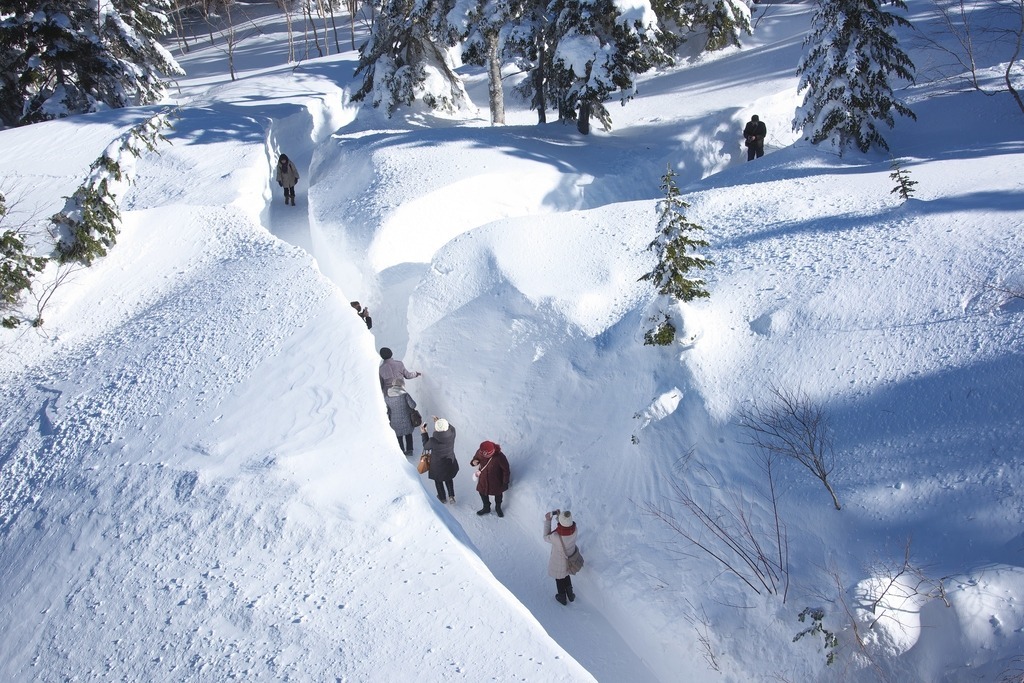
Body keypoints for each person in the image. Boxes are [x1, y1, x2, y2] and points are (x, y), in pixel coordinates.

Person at [421, 417, 459, 504]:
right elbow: (451, 427)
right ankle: (451, 496)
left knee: (438, 481)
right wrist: (441, 421)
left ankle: (442, 497)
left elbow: (426, 446)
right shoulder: (452, 433)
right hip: (449, 463)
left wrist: (424, 433)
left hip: (437, 465)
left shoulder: (433, 440)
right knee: (449, 479)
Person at [544, 509, 578, 605]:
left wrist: (548, 521)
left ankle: (562, 597)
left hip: (558, 561)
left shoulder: (556, 536)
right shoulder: (574, 530)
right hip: (569, 559)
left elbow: (545, 536)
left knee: (559, 578)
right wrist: (560, 518)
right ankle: (570, 595)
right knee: (566, 575)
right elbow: (565, 528)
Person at [470, 441, 511, 517]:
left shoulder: (500, 457)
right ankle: (486, 507)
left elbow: (506, 470)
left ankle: (498, 508)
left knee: (498, 494)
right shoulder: (480, 452)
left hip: (496, 480)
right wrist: (473, 462)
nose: (484, 455)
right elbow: (475, 459)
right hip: (483, 479)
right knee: (482, 492)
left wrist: (505, 481)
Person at [384, 379, 418, 455]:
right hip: (406, 419)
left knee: (398, 436)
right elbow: (413, 405)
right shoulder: (405, 395)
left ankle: (401, 452)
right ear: (401, 385)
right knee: (408, 434)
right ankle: (409, 450)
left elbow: (387, 409)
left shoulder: (387, 397)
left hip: (394, 420)